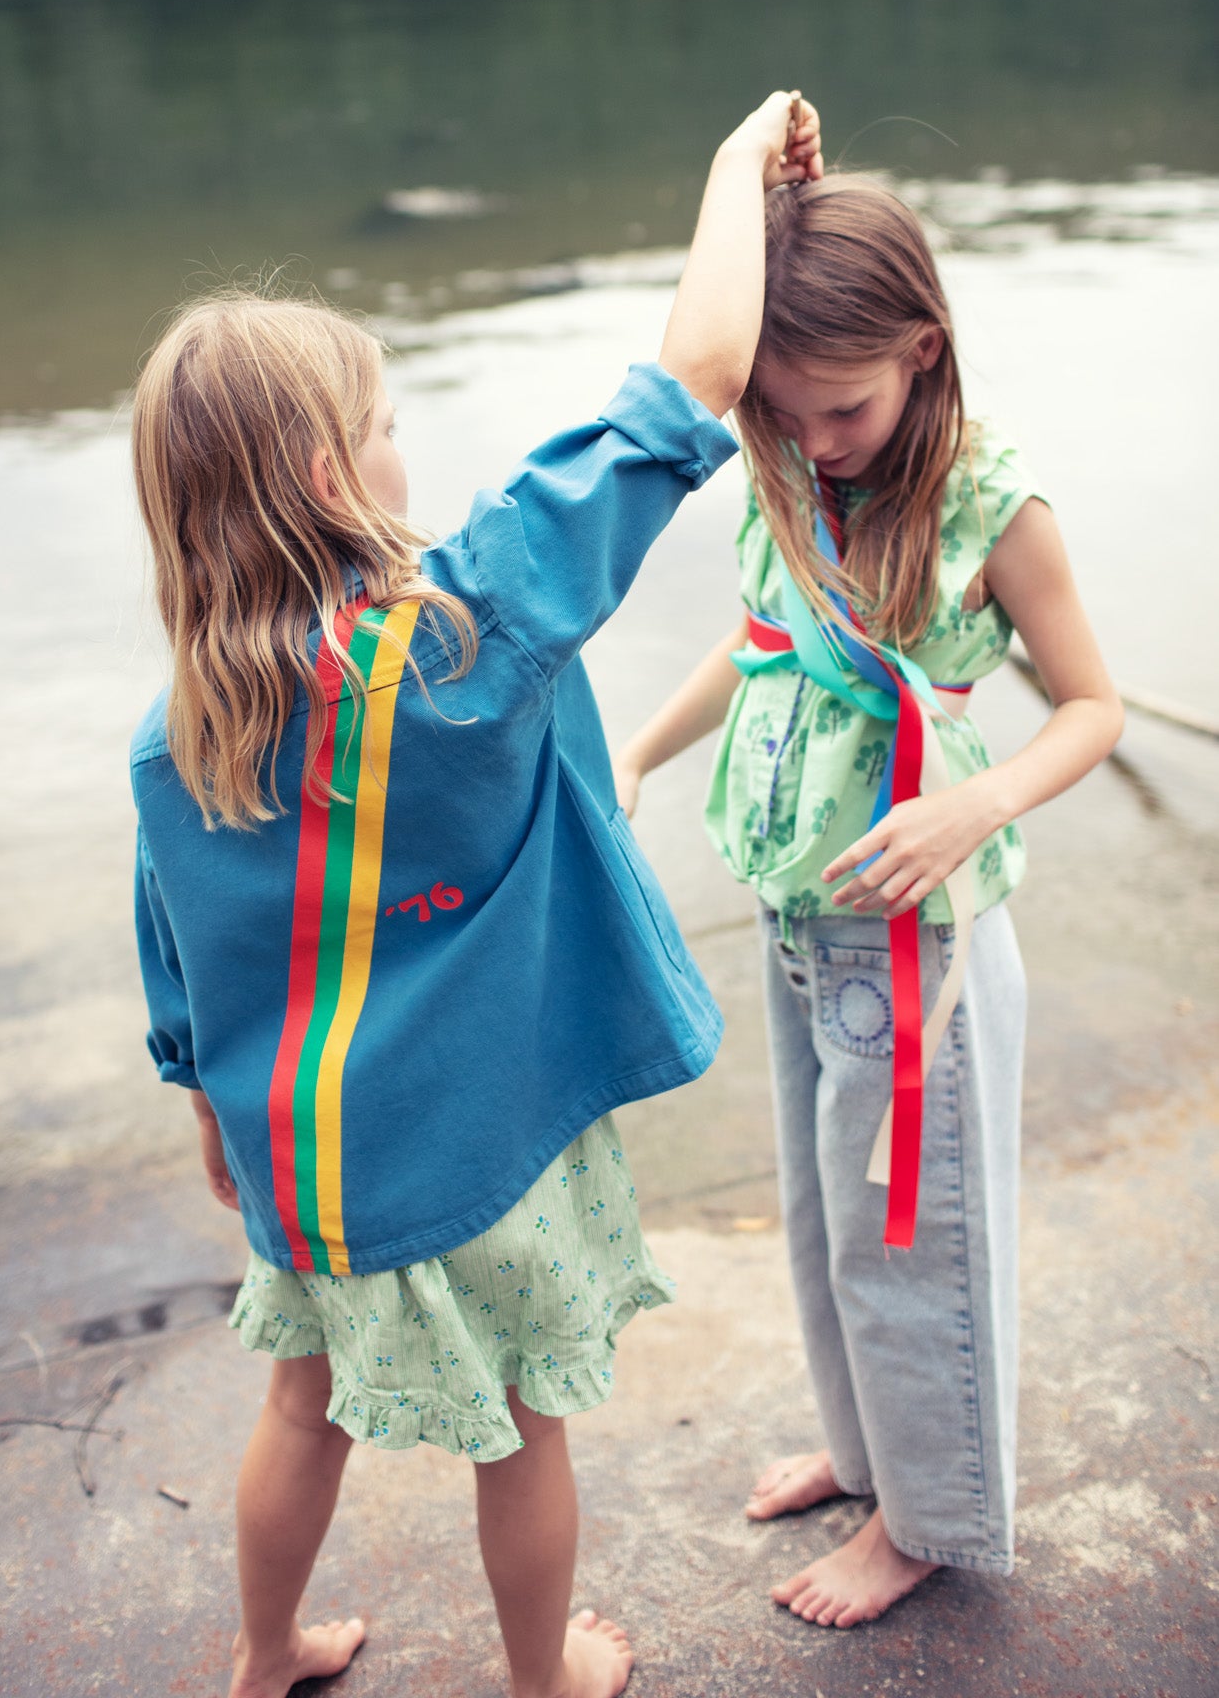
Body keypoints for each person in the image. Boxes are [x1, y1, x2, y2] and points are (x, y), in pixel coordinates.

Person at [128, 90, 823, 1698]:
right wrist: (731, 167)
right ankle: (540, 1677)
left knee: (300, 1403)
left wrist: (213, 1123)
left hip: (303, 1147)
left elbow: (177, 966)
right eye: (379, 425)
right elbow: (689, 390)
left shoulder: (184, 727)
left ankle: (263, 1653)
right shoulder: (462, 636)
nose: (399, 448)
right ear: (322, 469)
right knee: (521, 1423)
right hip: (478, 1141)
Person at [614, 168, 1123, 1629]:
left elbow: (1089, 708)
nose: (811, 440)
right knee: (823, 1216)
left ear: (920, 348)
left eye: (838, 410)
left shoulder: (993, 504)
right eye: (779, 411)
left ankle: (925, 1522)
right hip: (803, 913)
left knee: (917, 1233)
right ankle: (864, 1454)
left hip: (921, 942)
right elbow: (763, 639)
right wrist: (641, 747)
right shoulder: (794, 473)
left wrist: (977, 802)